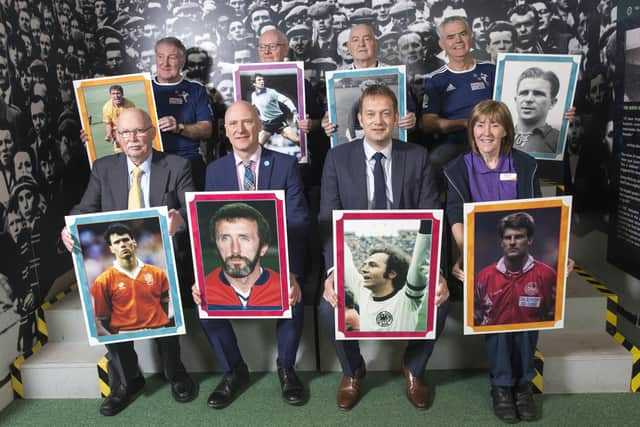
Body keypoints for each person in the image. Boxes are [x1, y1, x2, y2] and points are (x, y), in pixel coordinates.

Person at [318, 85, 449, 410]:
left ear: (396, 118)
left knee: (439, 302)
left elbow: (433, 218)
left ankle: (414, 369)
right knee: (327, 308)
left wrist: (437, 272)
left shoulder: (416, 156)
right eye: (371, 114)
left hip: (404, 257)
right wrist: (333, 271)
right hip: (354, 258)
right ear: (360, 118)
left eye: (386, 113)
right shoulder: (337, 158)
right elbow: (327, 219)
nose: (378, 121)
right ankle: (353, 370)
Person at [443, 99, 573, 423]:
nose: (486, 132)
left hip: (523, 253)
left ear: (505, 131)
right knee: (498, 319)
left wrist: (557, 253)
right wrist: (466, 254)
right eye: (480, 125)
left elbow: (541, 213)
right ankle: (501, 386)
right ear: (472, 130)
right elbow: (456, 216)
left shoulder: (525, 164)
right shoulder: (457, 168)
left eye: (494, 125)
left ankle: (523, 385)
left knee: (529, 316)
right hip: (484, 254)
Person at [60, 108, 196, 416]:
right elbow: (85, 208)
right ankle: (126, 381)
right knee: (108, 307)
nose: (133, 138)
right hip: (114, 259)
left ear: (151, 132)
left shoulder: (177, 165)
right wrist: (69, 228)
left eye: (139, 131)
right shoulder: (103, 168)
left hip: (164, 258)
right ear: (116, 137)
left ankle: (174, 373)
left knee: (163, 299)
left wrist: (180, 219)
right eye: (126, 133)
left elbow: (190, 209)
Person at [192, 100, 310, 408]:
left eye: (247, 122)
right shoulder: (214, 172)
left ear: (258, 126)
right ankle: (234, 370)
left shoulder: (285, 165)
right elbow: (209, 224)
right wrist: (203, 275)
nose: (240, 129)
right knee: (203, 300)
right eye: (233, 124)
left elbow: (298, 219)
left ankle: (287, 368)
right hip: (233, 257)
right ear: (226, 132)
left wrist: (291, 272)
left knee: (293, 297)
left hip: (276, 253)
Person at [422, 16, 496, 178]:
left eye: (463, 34)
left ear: (471, 37)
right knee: (435, 159)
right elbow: (428, 123)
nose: (458, 40)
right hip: (456, 144)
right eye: (451, 37)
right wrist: (464, 123)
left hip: (494, 139)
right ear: (442, 44)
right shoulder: (436, 80)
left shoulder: (492, 70)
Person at [322, 24, 417, 137]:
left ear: (376, 44)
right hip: (357, 135)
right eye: (355, 40)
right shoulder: (336, 79)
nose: (361, 44)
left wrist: (411, 120)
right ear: (349, 47)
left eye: (367, 39)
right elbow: (328, 115)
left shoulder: (397, 75)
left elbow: (410, 114)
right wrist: (326, 122)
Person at [152, 37, 214, 190]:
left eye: (171, 57)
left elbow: (207, 130)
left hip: (187, 161)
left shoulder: (196, 89)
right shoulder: (142, 87)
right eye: (160, 56)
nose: (165, 63)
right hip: (151, 163)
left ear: (182, 60)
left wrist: (179, 127)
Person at [342, 227, 432, 332]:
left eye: (372, 265)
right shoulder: (362, 291)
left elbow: (419, 265)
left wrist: (427, 222)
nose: (364, 269)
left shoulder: (408, 300)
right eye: (364, 264)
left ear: (392, 273)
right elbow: (345, 262)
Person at [475, 212, 556, 326]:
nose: (512, 242)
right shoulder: (484, 276)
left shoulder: (547, 275)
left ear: (530, 240)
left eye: (518, 237)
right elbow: (476, 315)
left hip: (530, 336)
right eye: (508, 238)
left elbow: (552, 315)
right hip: (494, 338)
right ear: (501, 242)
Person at [91, 223, 172, 335]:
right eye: (117, 242)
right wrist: (121, 333)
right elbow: (103, 316)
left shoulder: (157, 273)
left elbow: (164, 302)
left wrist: (159, 323)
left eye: (125, 240)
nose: (122, 245)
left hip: (159, 329)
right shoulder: (103, 280)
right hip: (125, 333)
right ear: (111, 249)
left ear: (134, 242)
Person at [204, 202, 281, 308]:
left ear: (263, 248)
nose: (235, 250)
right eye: (225, 238)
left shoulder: (283, 290)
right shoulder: (204, 291)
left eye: (244, 239)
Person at [513, 67, 560, 154]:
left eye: (538, 94)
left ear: (552, 102)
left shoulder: (559, 139)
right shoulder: (501, 135)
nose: (529, 99)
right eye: (524, 93)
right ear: (516, 99)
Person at [250, 73, 300, 145]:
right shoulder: (253, 95)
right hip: (266, 124)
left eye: (263, 79)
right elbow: (254, 108)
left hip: (278, 121)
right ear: (254, 83)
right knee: (257, 146)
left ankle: (306, 152)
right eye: (259, 80)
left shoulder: (271, 92)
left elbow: (286, 100)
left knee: (296, 140)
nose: (262, 81)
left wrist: (294, 111)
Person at [102, 85, 135, 150]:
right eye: (113, 94)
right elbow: (108, 123)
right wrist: (109, 134)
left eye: (118, 93)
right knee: (119, 151)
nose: (116, 96)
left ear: (122, 94)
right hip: (116, 130)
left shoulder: (130, 105)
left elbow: (133, 121)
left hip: (128, 128)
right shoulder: (106, 107)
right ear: (110, 95)